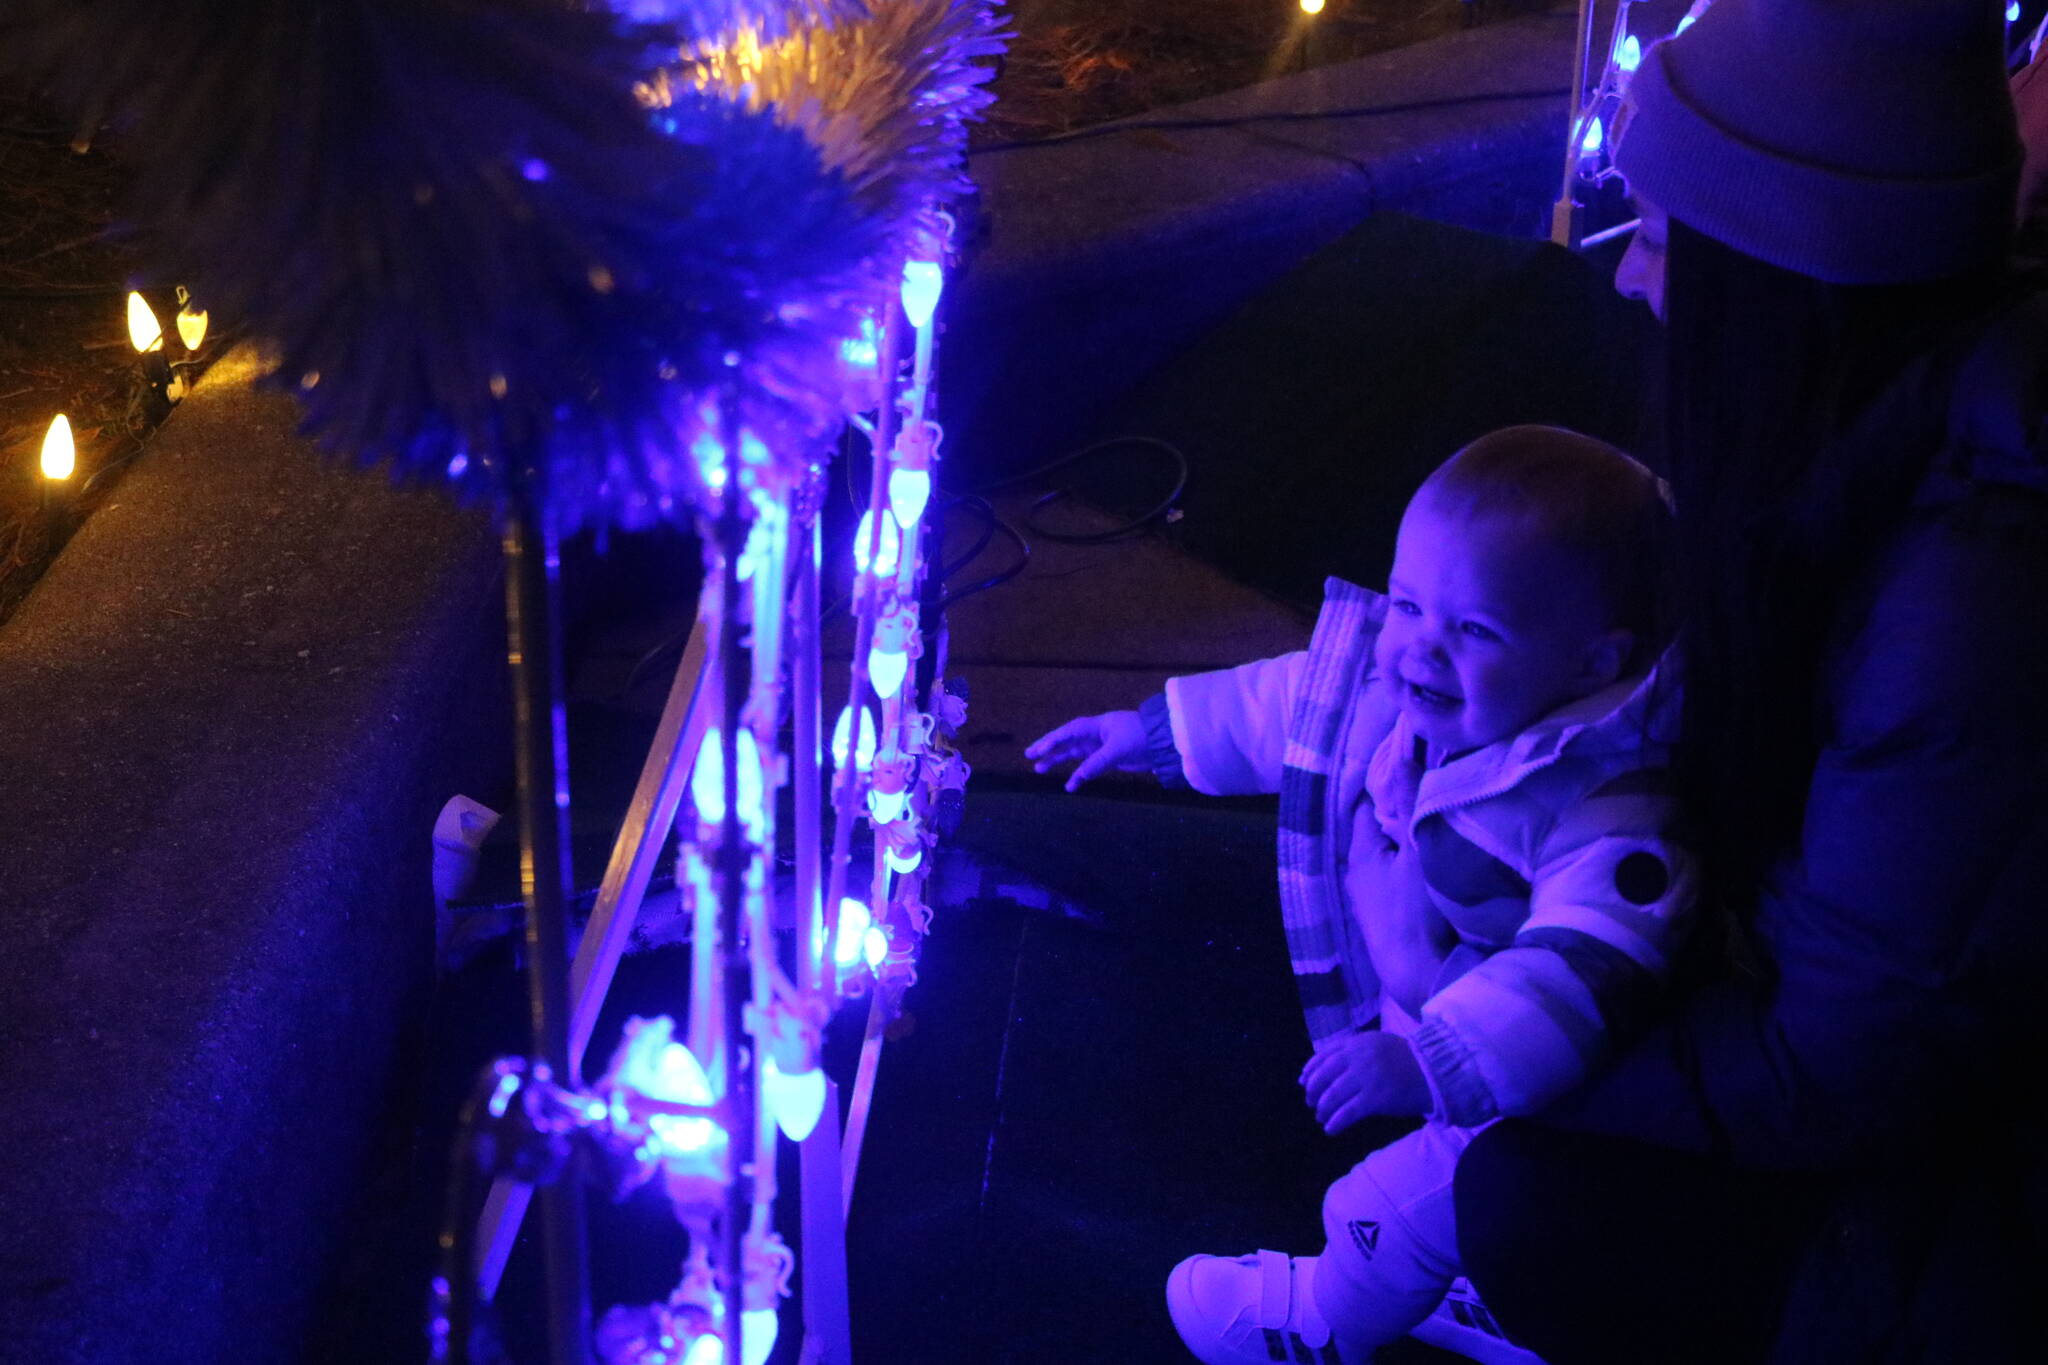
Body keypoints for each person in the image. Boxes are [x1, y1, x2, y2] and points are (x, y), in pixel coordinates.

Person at [1450, 4, 2048, 1363]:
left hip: (1980, 1216)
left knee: (1528, 1204)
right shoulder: (1881, 453)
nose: (1625, 279)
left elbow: (1840, 1064)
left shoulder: (1970, 601)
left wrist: (1501, 1049)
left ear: (1784, 282)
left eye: (1660, 236)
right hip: (1902, 1082)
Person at [1028, 425, 1692, 1365]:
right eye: (1412, 603)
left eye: (1474, 630)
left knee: (1391, 1204)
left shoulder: (1608, 805)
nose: (1421, 649)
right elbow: (1309, 703)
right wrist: (1154, 735)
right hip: (1447, 1002)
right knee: (1431, 1190)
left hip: (1537, 1076)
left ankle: (1321, 1321)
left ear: (1594, 664)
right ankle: (1484, 1287)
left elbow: (1581, 971)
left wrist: (1435, 1063)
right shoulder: (1456, 694)